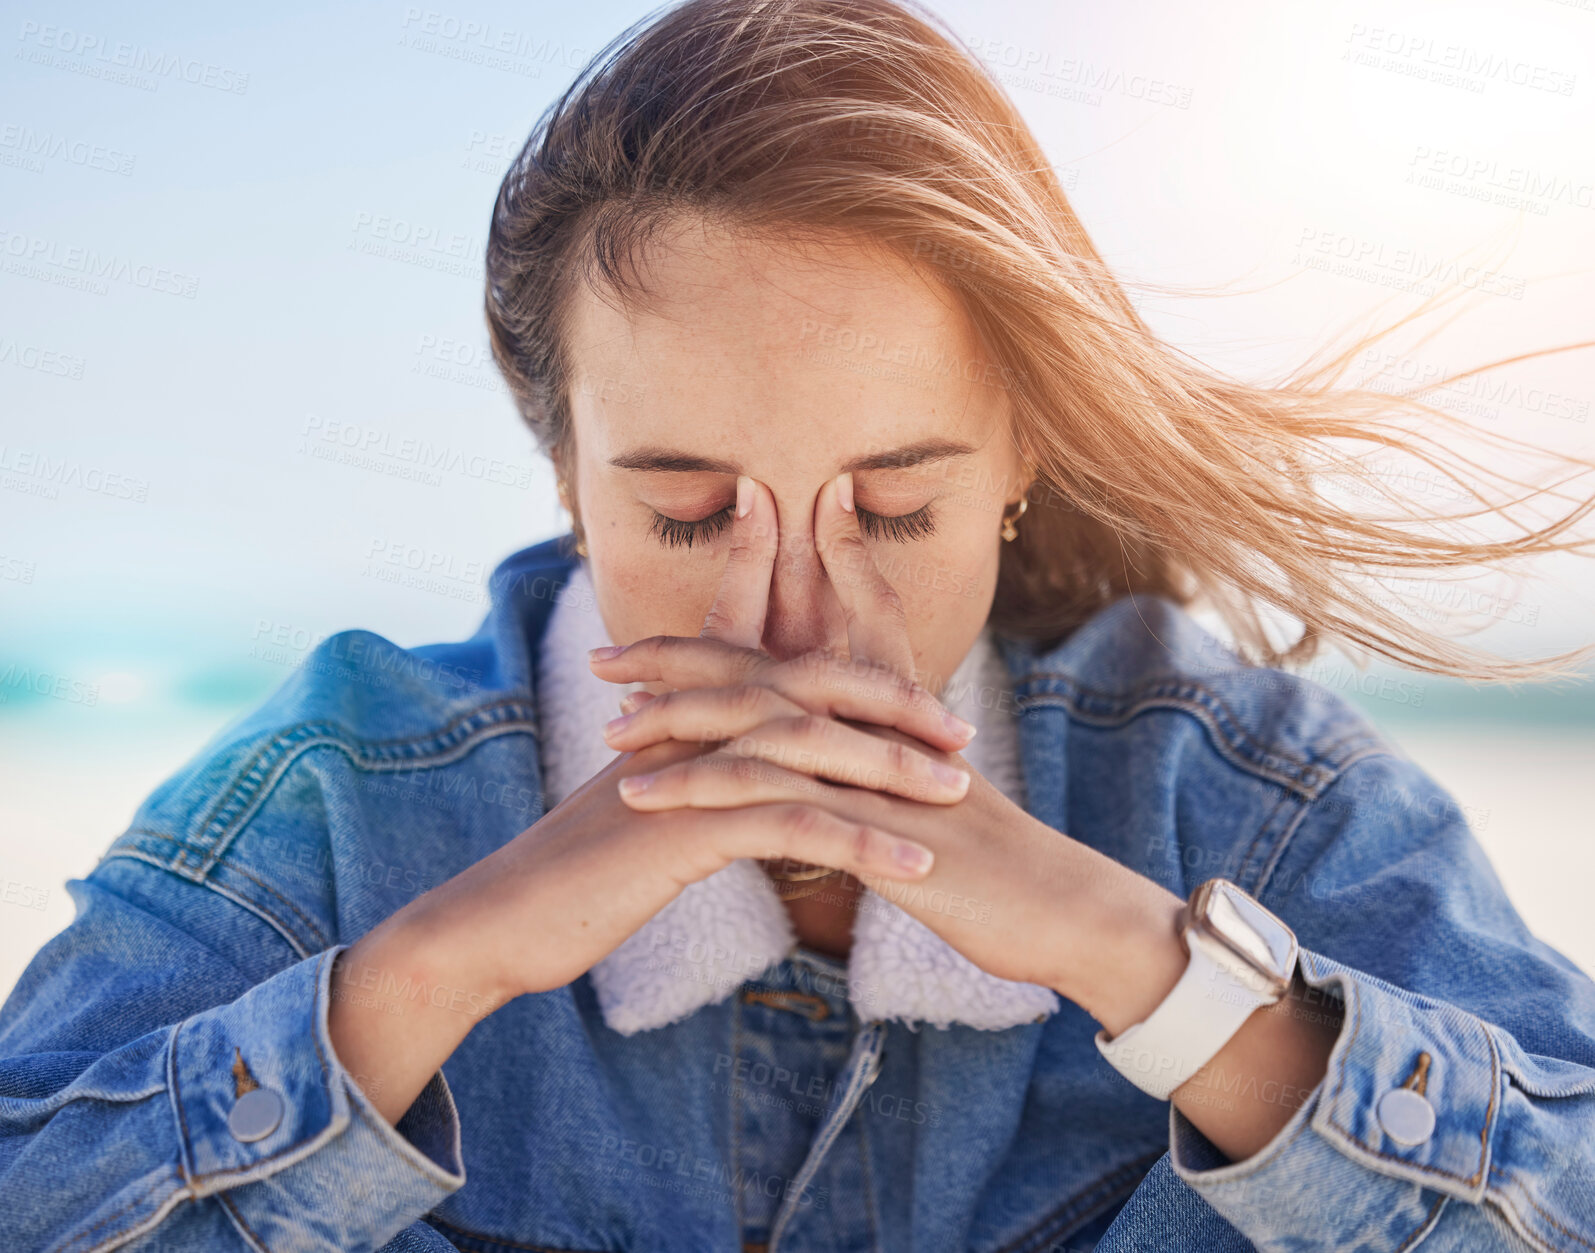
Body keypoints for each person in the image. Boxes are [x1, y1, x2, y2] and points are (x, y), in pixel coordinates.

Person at [5, 0, 1594, 1249]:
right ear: (566, 471)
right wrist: (430, 974)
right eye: (688, 509)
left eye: (894, 502)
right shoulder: (339, 796)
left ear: (1023, 452)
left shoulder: (1247, 795)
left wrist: (1144, 964)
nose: (795, 623)